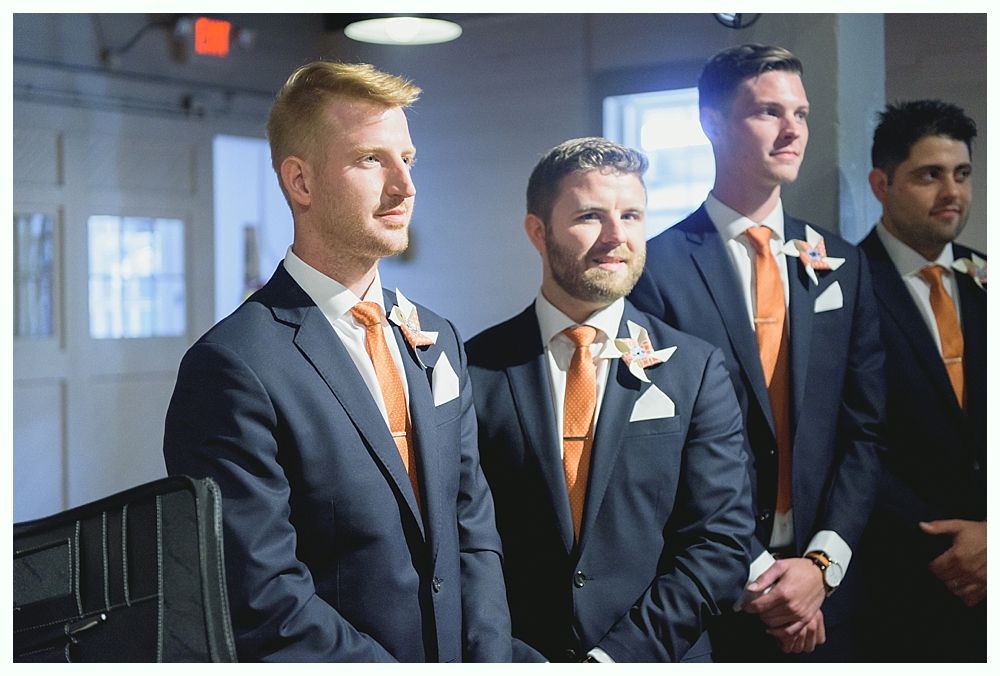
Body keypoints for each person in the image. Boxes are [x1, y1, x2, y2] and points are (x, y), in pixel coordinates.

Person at [162, 61, 511, 662]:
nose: (405, 186)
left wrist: (488, 658)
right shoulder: (232, 366)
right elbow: (261, 597)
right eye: (371, 160)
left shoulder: (439, 336)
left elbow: (471, 526)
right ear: (300, 181)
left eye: (409, 158)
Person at [628, 44, 885, 661]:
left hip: (834, 587)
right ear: (712, 123)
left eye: (800, 112)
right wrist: (758, 572)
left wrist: (822, 565)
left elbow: (866, 431)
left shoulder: (842, 262)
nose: (792, 128)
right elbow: (662, 445)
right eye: (768, 112)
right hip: (715, 586)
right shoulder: (656, 267)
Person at [466, 137, 755, 662]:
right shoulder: (476, 367)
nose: (616, 236)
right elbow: (463, 538)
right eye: (590, 216)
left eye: (631, 215)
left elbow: (720, 543)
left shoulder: (696, 369)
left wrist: (615, 660)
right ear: (538, 231)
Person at [857, 100, 985, 661]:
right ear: (881, 184)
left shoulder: (987, 277)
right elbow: (846, 437)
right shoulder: (846, 285)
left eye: (961, 174)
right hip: (900, 572)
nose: (950, 192)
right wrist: (946, 541)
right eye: (928, 175)